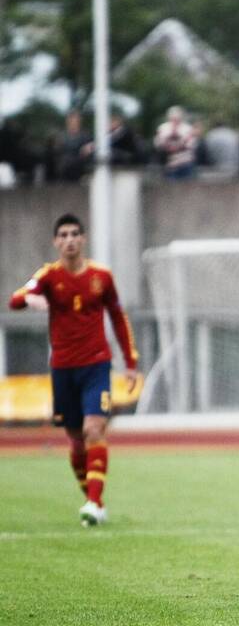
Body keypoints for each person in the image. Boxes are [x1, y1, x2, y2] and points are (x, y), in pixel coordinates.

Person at [8, 214, 139, 527]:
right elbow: (14, 300)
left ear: (83, 239)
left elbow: (119, 318)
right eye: (63, 235)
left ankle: (93, 502)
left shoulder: (101, 277)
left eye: (74, 234)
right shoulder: (48, 276)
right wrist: (31, 298)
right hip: (63, 369)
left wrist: (130, 362)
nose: (69, 240)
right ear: (56, 241)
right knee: (75, 440)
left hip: (96, 364)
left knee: (94, 429)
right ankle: (94, 500)